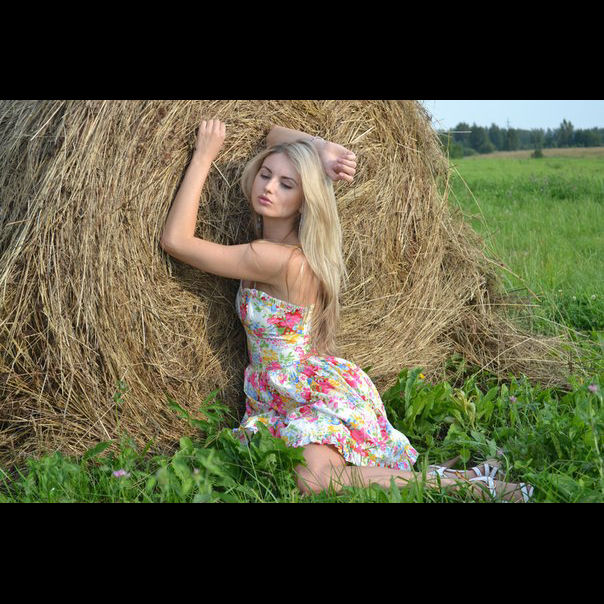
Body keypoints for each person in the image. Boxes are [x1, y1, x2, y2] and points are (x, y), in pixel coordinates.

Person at [160, 118, 534, 502]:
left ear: (305, 200)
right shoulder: (284, 248)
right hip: (282, 390)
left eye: (287, 184)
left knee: (315, 482)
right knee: (320, 477)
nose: (269, 187)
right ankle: (466, 476)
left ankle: (477, 489)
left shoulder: (274, 258)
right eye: (265, 175)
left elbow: (176, 240)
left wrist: (204, 156)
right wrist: (320, 149)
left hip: (304, 390)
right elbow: (272, 134)